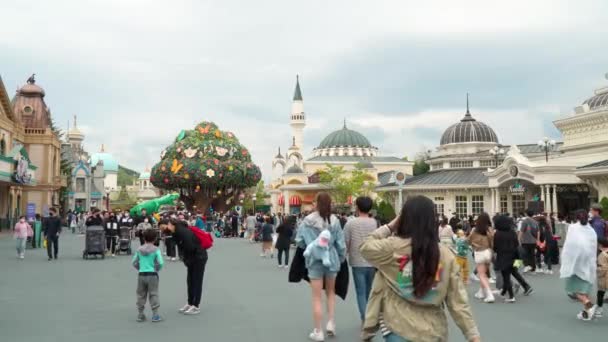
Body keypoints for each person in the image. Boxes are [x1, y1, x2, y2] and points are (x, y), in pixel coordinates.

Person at [360, 196, 480, 342]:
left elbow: (365, 246)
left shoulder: (392, 248)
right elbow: (457, 301)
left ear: (403, 218)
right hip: (433, 330)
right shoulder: (445, 255)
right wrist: (472, 334)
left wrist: (390, 226)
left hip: (398, 326)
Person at [295, 192, 345, 341]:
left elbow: (299, 241)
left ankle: (319, 331)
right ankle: (331, 322)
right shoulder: (335, 220)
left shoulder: (307, 221)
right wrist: (341, 258)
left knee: (316, 297)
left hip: (314, 261)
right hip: (332, 259)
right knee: (330, 292)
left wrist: (310, 247)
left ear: (316, 203)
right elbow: (340, 244)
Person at [160, 218, 208, 315]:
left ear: (173, 225)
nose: (166, 227)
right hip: (192, 258)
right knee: (190, 280)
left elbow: (190, 247)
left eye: (168, 225)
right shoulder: (176, 232)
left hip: (199, 257)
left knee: (197, 280)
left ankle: (196, 305)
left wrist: (185, 258)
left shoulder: (183, 232)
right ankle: (190, 303)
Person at [343, 196, 377, 323]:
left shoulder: (350, 223)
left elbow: (346, 242)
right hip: (372, 260)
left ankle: (365, 317)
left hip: (357, 261)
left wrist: (343, 256)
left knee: (360, 291)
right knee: (369, 291)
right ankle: (369, 315)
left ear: (357, 207)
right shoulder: (374, 223)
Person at [560, 210, 598, 320]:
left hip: (575, 264)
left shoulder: (573, 228)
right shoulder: (591, 230)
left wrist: (566, 259)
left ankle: (588, 304)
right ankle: (586, 312)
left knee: (574, 289)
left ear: (576, 217)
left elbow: (569, 245)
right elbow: (592, 246)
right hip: (588, 263)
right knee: (585, 289)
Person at [493, 215, 533, 303]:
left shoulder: (498, 234)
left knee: (506, 276)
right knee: (514, 272)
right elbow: (517, 244)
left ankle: (511, 296)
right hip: (515, 257)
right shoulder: (513, 232)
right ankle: (525, 286)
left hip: (503, 257)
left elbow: (495, 248)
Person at [132, 229, 164, 322]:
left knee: (141, 294)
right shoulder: (156, 249)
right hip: (152, 274)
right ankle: (155, 315)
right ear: (155, 239)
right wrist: (156, 269)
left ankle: (140, 314)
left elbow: (134, 262)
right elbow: (161, 263)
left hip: (141, 274)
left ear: (144, 238)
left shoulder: (139, 249)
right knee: (153, 294)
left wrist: (140, 268)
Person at [468, 213, 495, 303]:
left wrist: (473, 244)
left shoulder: (475, 230)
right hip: (488, 252)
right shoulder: (490, 229)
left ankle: (489, 294)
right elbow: (492, 241)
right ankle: (481, 292)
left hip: (479, 252)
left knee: (481, 275)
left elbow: (468, 240)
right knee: (485, 273)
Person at [595, 237, 608, 318]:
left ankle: (599, 310)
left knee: (600, 293)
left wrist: (597, 270)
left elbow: (603, 268)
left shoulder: (602, 255)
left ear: (600, 245)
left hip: (605, 278)